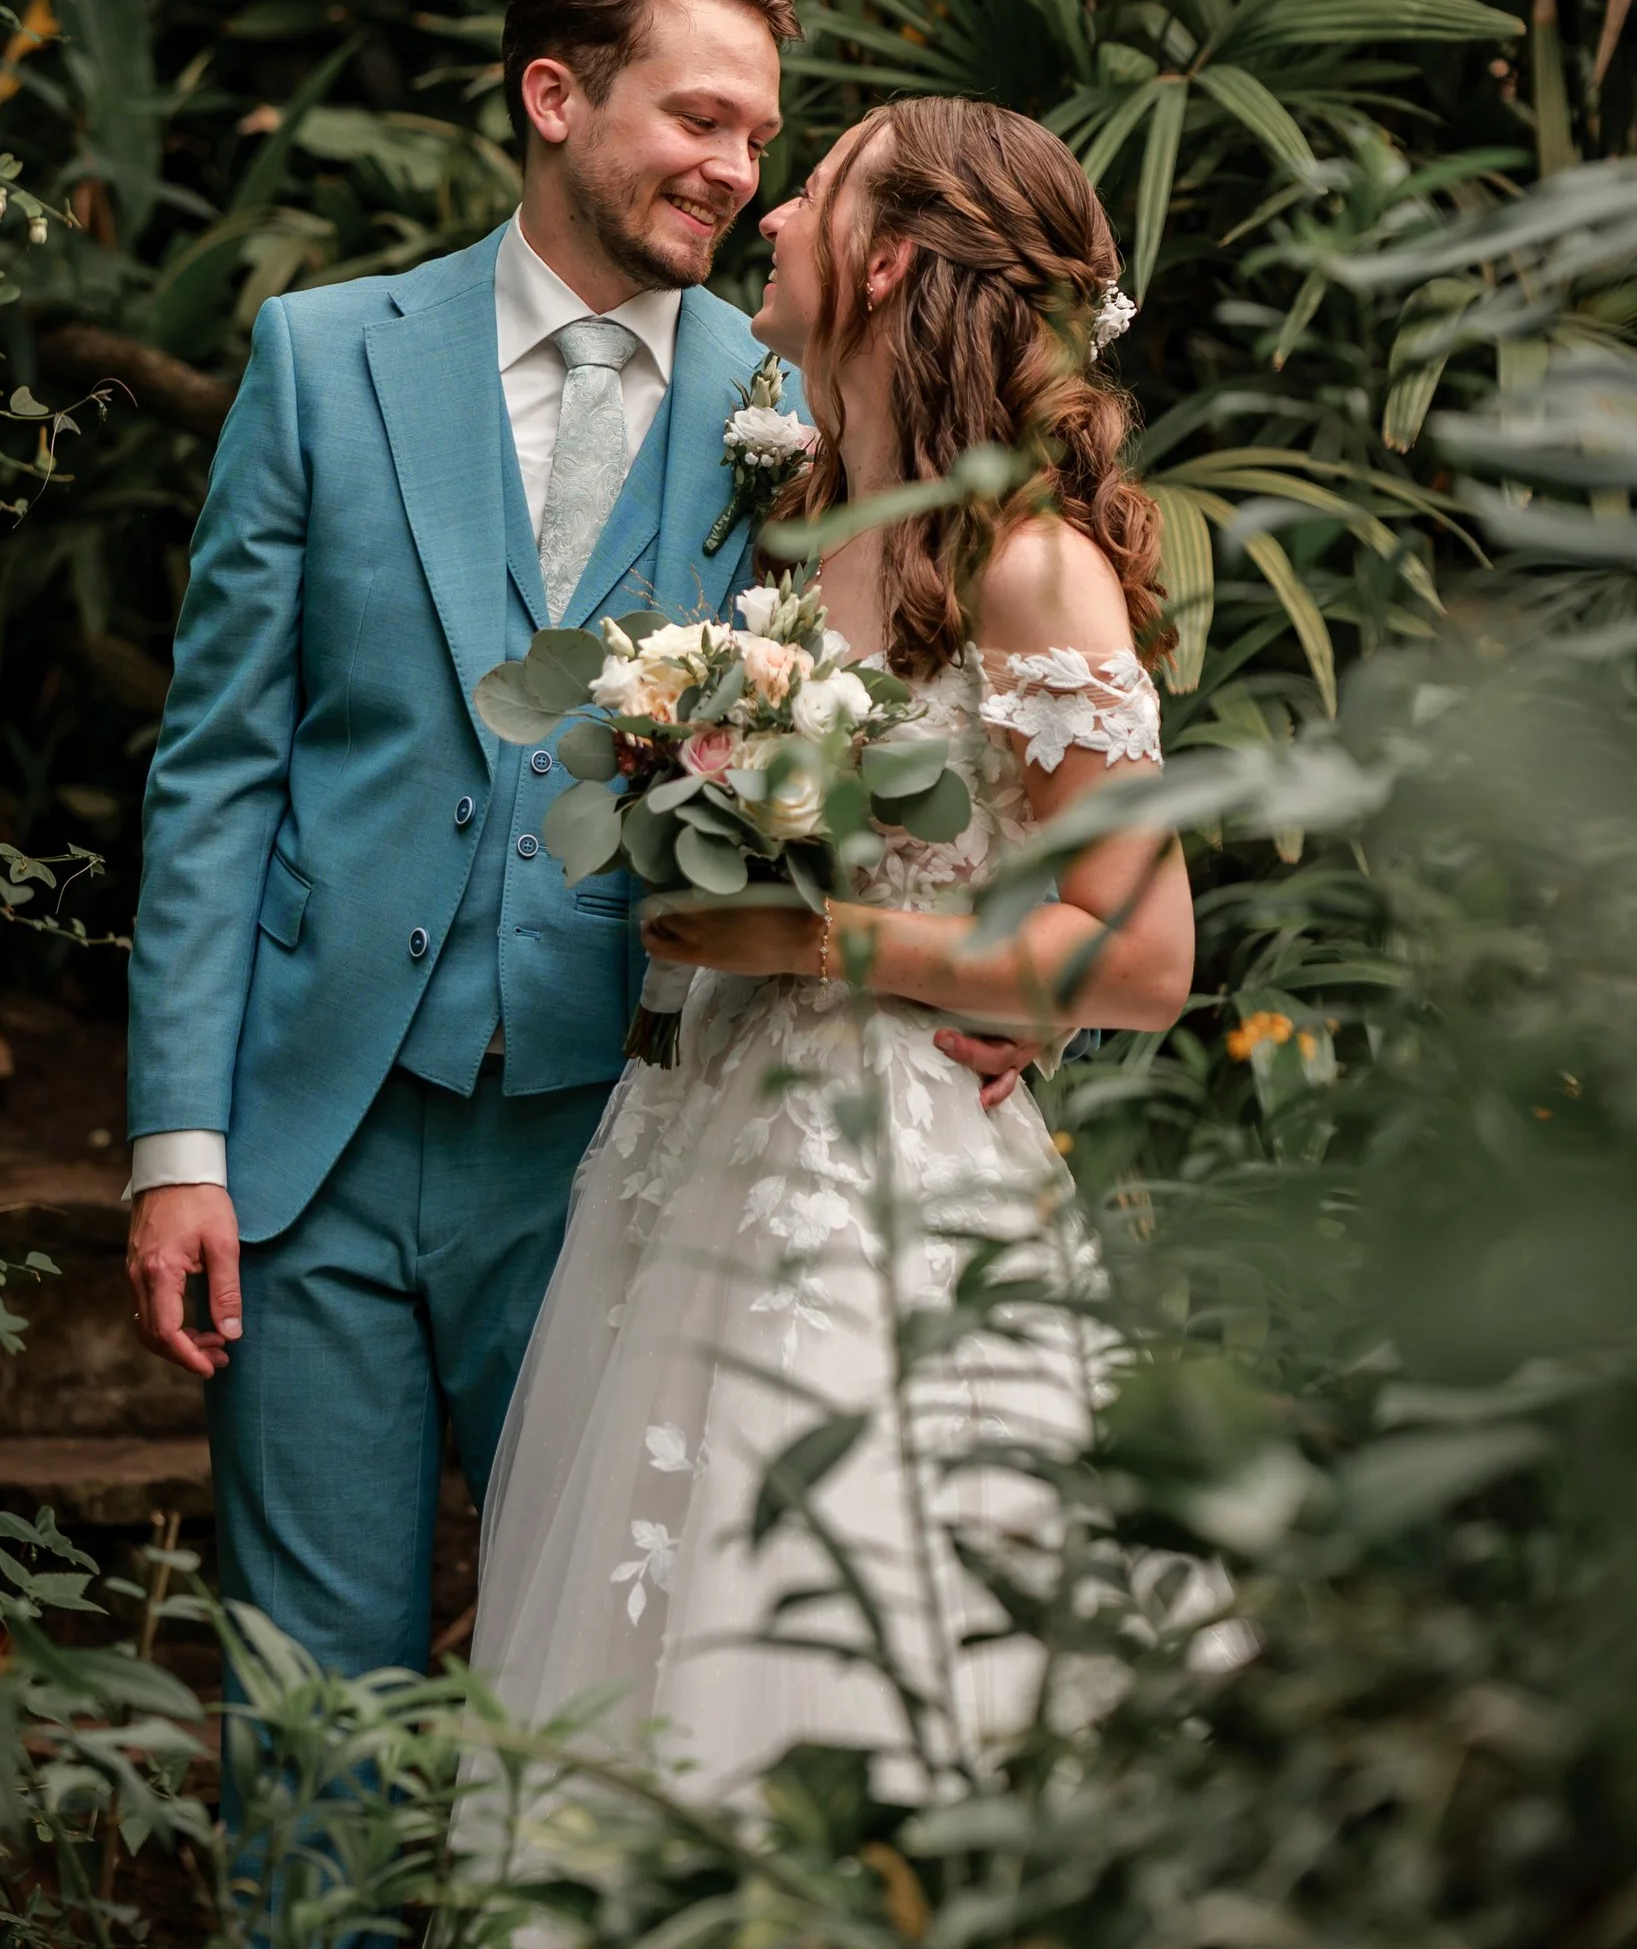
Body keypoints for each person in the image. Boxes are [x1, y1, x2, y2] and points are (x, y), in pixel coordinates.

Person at [123, 0, 1035, 1686]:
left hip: (630, 1148)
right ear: (555, 93)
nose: (736, 167)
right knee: (315, 1704)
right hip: (314, 1143)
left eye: (763, 137)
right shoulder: (323, 360)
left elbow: (958, 698)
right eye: (700, 119)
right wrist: (180, 1144)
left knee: (607, 1694)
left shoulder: (807, 403)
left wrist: (1002, 992)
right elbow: (220, 766)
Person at [471, 94, 1197, 1799]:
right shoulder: (804, 515)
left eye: (809, 191)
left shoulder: (1031, 568)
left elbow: (1146, 955)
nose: (771, 218)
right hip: (697, 1140)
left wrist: (814, 937)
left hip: (889, 1182)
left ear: (880, 263)